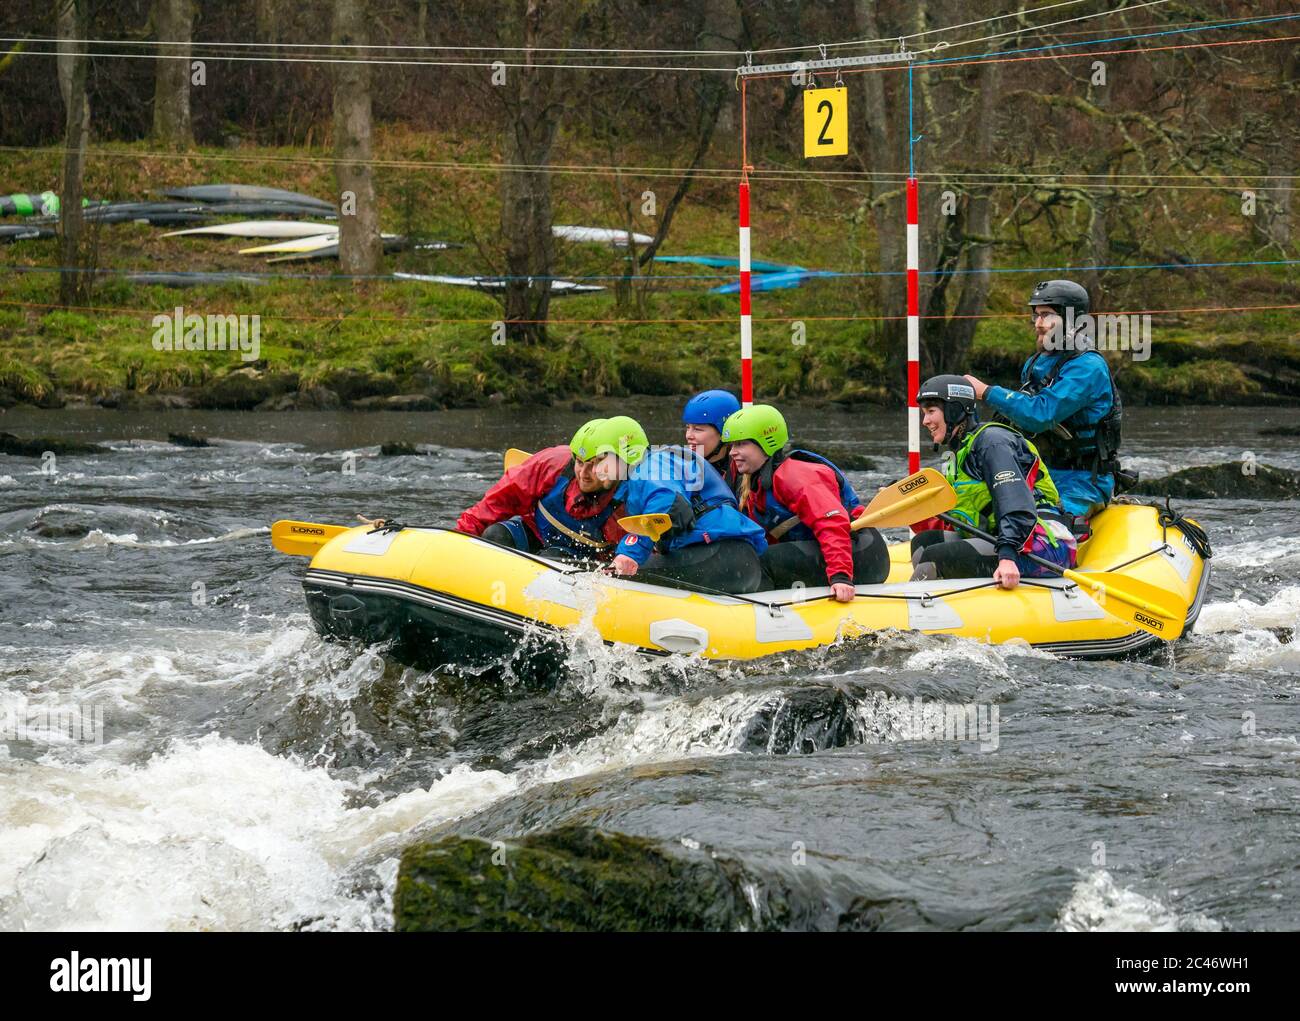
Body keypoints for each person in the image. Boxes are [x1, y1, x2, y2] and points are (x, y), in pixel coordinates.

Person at [961, 279, 1123, 528]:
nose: (1038, 324)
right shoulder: (1036, 363)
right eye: (1036, 316)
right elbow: (1018, 421)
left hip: (1082, 482)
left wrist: (986, 392)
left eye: (1046, 316)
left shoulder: (1087, 368)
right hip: (1040, 474)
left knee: (1038, 527)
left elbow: (1040, 414)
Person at [910, 375, 1077, 590]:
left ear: (954, 409)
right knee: (923, 544)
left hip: (1042, 544)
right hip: (1003, 537)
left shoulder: (992, 442)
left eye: (931, 411)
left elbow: (1014, 503)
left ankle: (920, 612)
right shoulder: (956, 455)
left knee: (934, 557)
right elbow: (959, 517)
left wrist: (1007, 556)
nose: (925, 421)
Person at [721, 404, 889, 602]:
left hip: (859, 555)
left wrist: (841, 576)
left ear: (765, 443)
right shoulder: (755, 483)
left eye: (741, 444)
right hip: (825, 551)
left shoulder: (795, 477)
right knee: (748, 557)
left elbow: (831, 524)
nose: (732, 452)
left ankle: (761, 617)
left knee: (759, 562)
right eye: (732, 445)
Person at [589, 415, 770, 594]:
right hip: (737, 562)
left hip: (719, 559)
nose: (596, 470)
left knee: (615, 576)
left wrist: (630, 553)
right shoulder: (656, 467)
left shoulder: (650, 466)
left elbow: (668, 504)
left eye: (600, 460)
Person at [454, 418, 626, 564]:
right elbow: (494, 505)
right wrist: (457, 541)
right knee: (495, 535)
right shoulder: (552, 463)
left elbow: (630, 556)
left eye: (594, 465)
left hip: (578, 561)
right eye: (580, 462)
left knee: (551, 559)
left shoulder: (628, 501)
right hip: (535, 532)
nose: (583, 474)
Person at [682, 389, 741, 483]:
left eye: (697, 429)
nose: (688, 435)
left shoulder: (743, 475)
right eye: (688, 427)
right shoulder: (678, 468)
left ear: (724, 433)